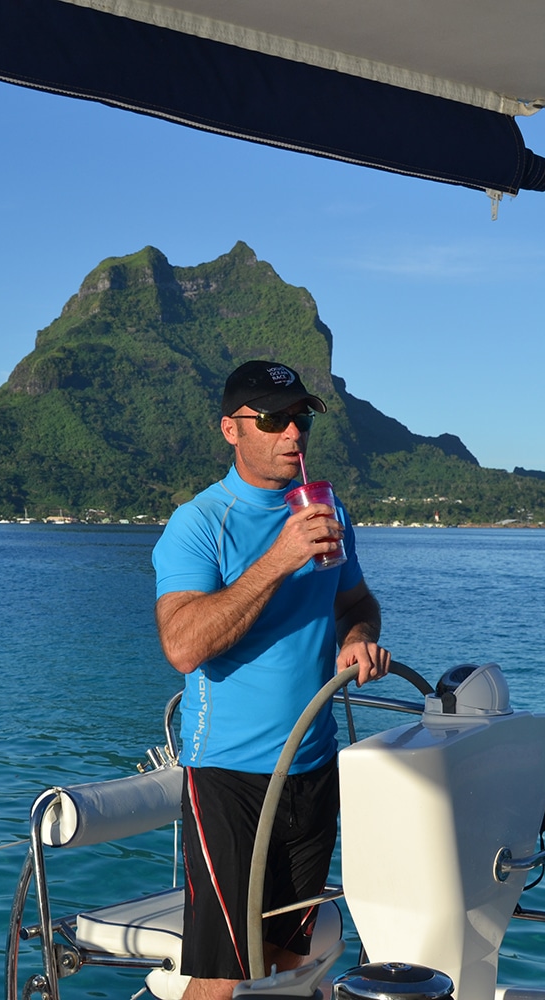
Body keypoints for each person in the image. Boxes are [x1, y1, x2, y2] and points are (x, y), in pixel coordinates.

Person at [151, 360, 390, 1000]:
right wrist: (280, 558)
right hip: (229, 775)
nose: (293, 434)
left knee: (289, 958)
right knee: (221, 974)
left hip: (311, 766)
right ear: (231, 429)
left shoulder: (327, 506)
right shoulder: (199, 523)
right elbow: (182, 645)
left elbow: (355, 601)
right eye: (274, 419)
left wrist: (358, 636)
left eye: (301, 418)